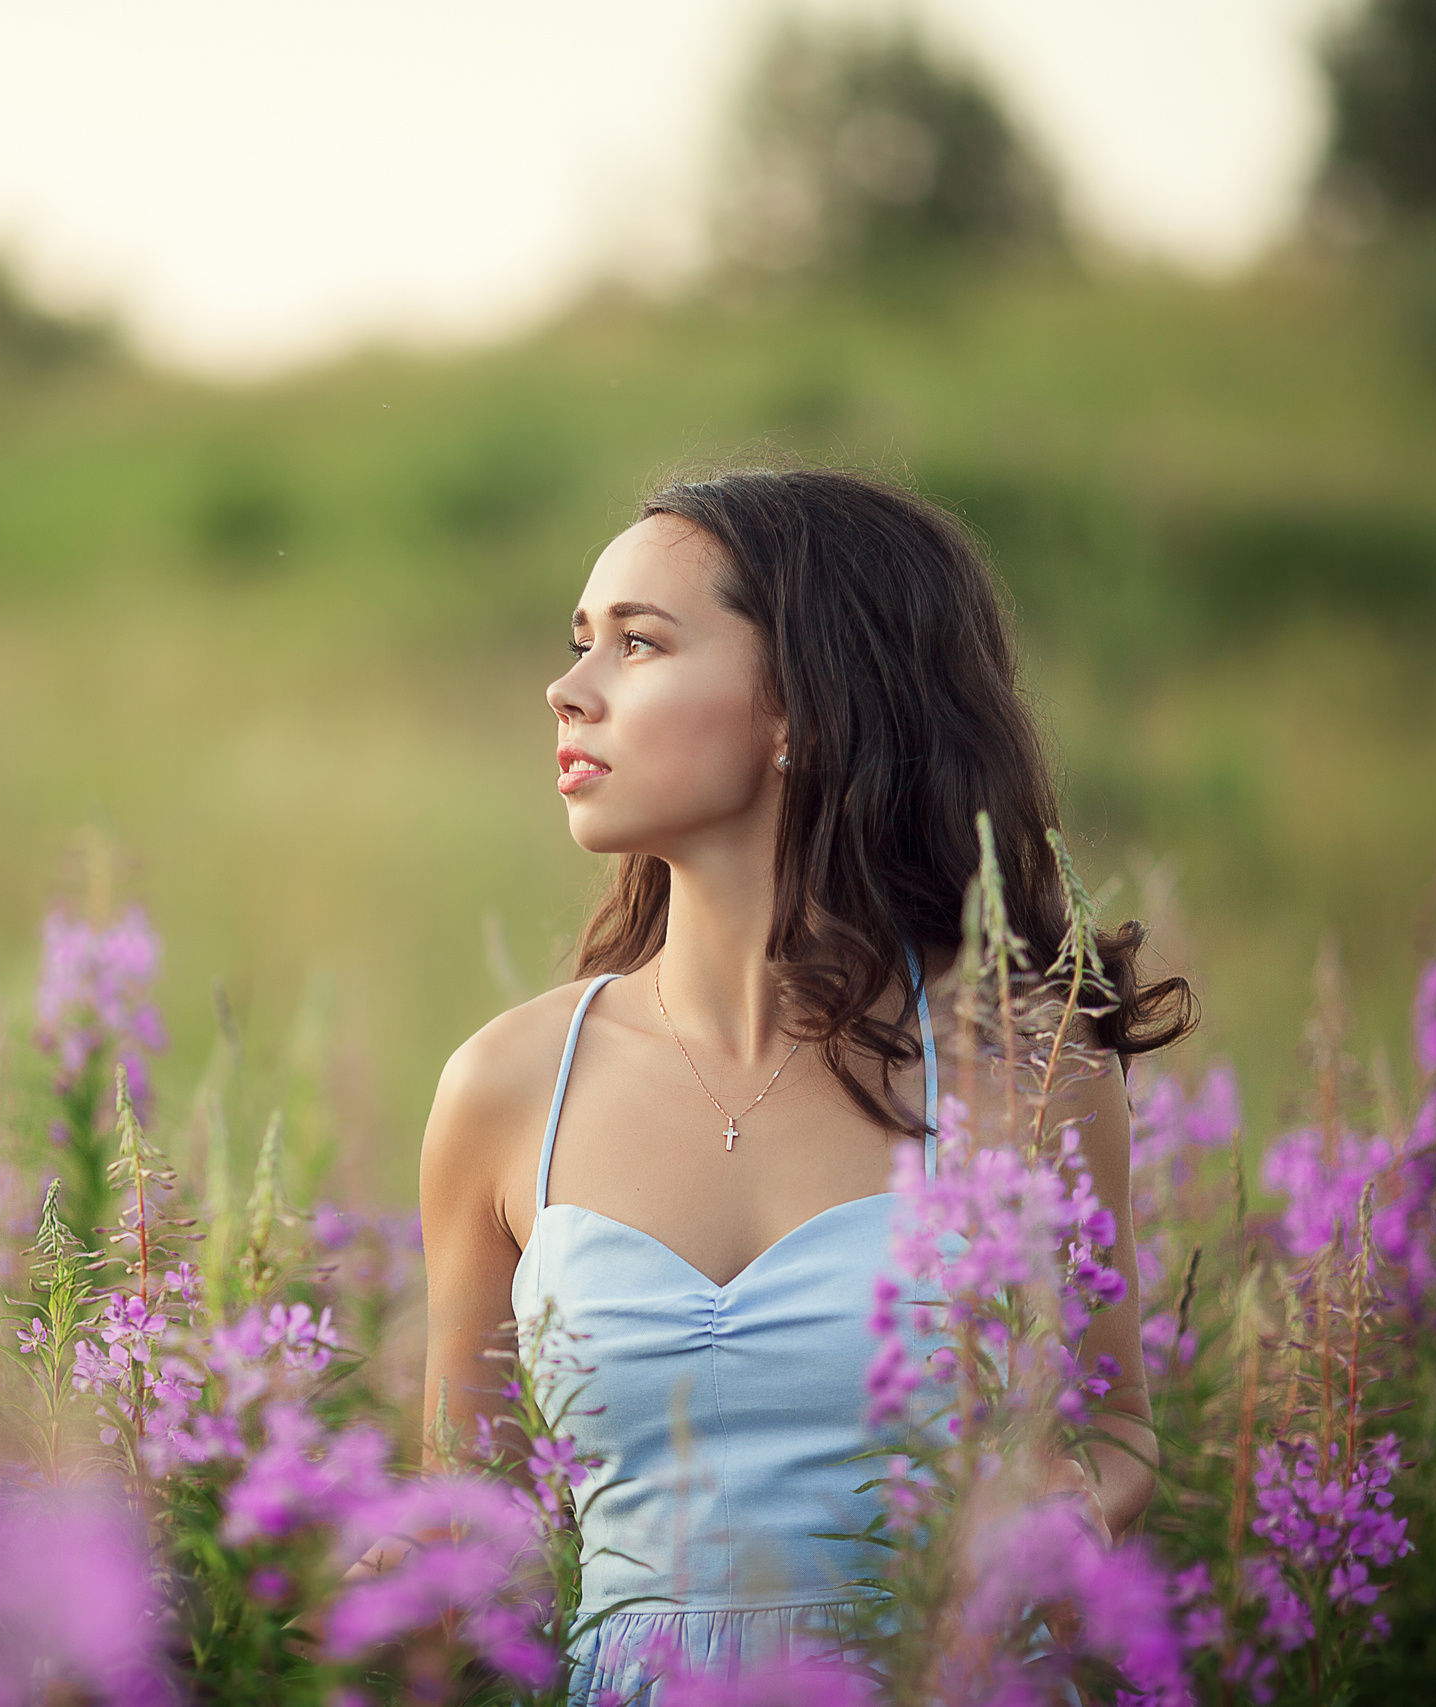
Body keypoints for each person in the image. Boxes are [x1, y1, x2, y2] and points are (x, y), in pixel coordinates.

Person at [403, 468, 1194, 1699]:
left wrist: (1074, 1504)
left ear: (802, 711)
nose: (568, 690)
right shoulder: (506, 1089)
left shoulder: (1025, 1068)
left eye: (638, 643)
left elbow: (1115, 1425)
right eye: (577, 643)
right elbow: (467, 1511)